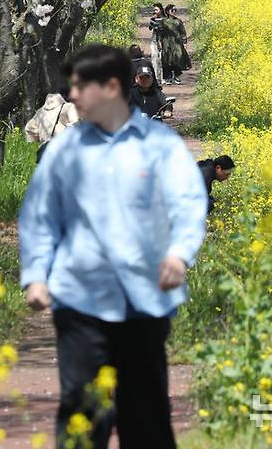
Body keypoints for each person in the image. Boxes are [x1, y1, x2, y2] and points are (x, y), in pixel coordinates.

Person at [19, 45, 208, 449]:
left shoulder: (159, 146)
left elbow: (188, 204)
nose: (72, 96)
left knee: (145, 417)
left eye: (79, 87)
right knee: (82, 416)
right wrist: (35, 275)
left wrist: (179, 254)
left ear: (110, 88)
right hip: (79, 300)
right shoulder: (64, 151)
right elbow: (40, 216)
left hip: (144, 299)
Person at [25, 84, 80, 163]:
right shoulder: (69, 107)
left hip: (45, 153)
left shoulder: (40, 112)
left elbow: (29, 129)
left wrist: (42, 138)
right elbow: (75, 125)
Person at [161, 4, 191, 85]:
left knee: (177, 59)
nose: (174, 12)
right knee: (167, 60)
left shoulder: (178, 21)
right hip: (166, 43)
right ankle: (168, 77)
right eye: (172, 10)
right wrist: (159, 42)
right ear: (167, 11)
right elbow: (160, 33)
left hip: (177, 43)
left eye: (175, 10)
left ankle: (176, 76)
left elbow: (183, 32)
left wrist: (184, 42)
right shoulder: (163, 21)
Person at [148, 2, 166, 85]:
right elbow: (150, 28)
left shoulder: (165, 19)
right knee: (154, 59)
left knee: (161, 60)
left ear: (161, 10)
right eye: (154, 10)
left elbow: (164, 30)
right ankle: (155, 78)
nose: (155, 11)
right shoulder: (153, 19)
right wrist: (152, 21)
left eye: (156, 10)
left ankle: (162, 78)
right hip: (154, 40)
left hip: (163, 41)